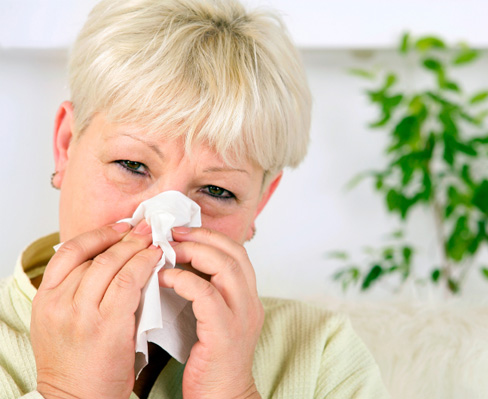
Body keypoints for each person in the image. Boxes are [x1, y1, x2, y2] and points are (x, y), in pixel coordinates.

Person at [0, 0, 388, 398]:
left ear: (259, 203)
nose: (160, 225)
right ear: (66, 146)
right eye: (132, 164)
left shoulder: (321, 354)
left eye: (217, 191)